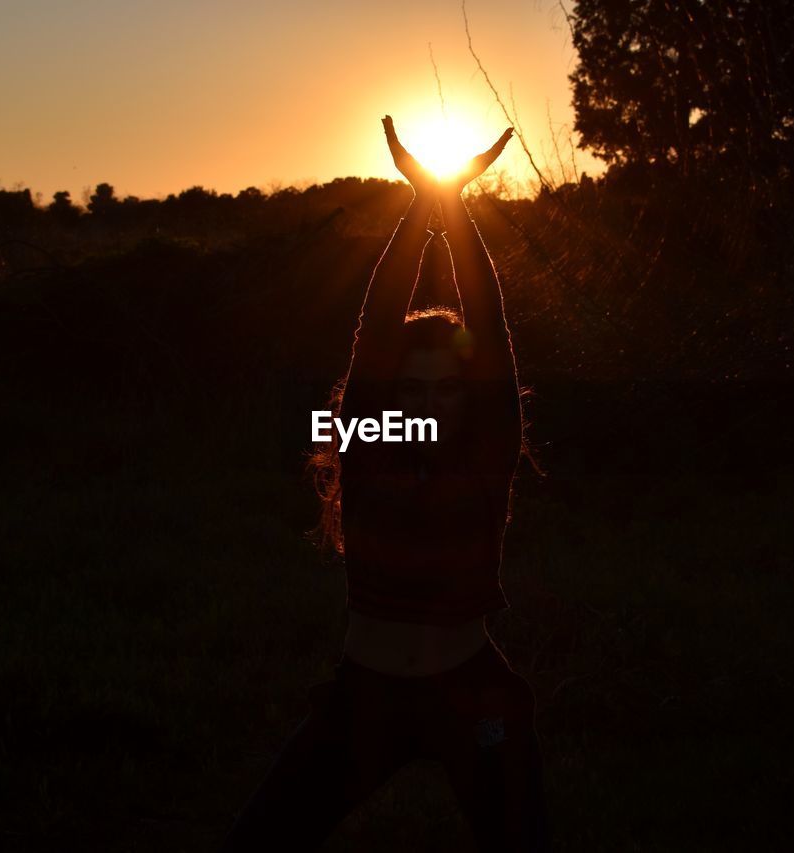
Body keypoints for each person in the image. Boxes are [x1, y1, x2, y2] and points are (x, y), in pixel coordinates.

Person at [221, 116, 547, 851]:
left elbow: (491, 330)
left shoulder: (486, 453)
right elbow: (375, 325)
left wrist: (455, 205)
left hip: (471, 693)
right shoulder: (370, 443)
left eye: (450, 385)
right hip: (364, 696)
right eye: (415, 384)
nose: (432, 398)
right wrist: (418, 201)